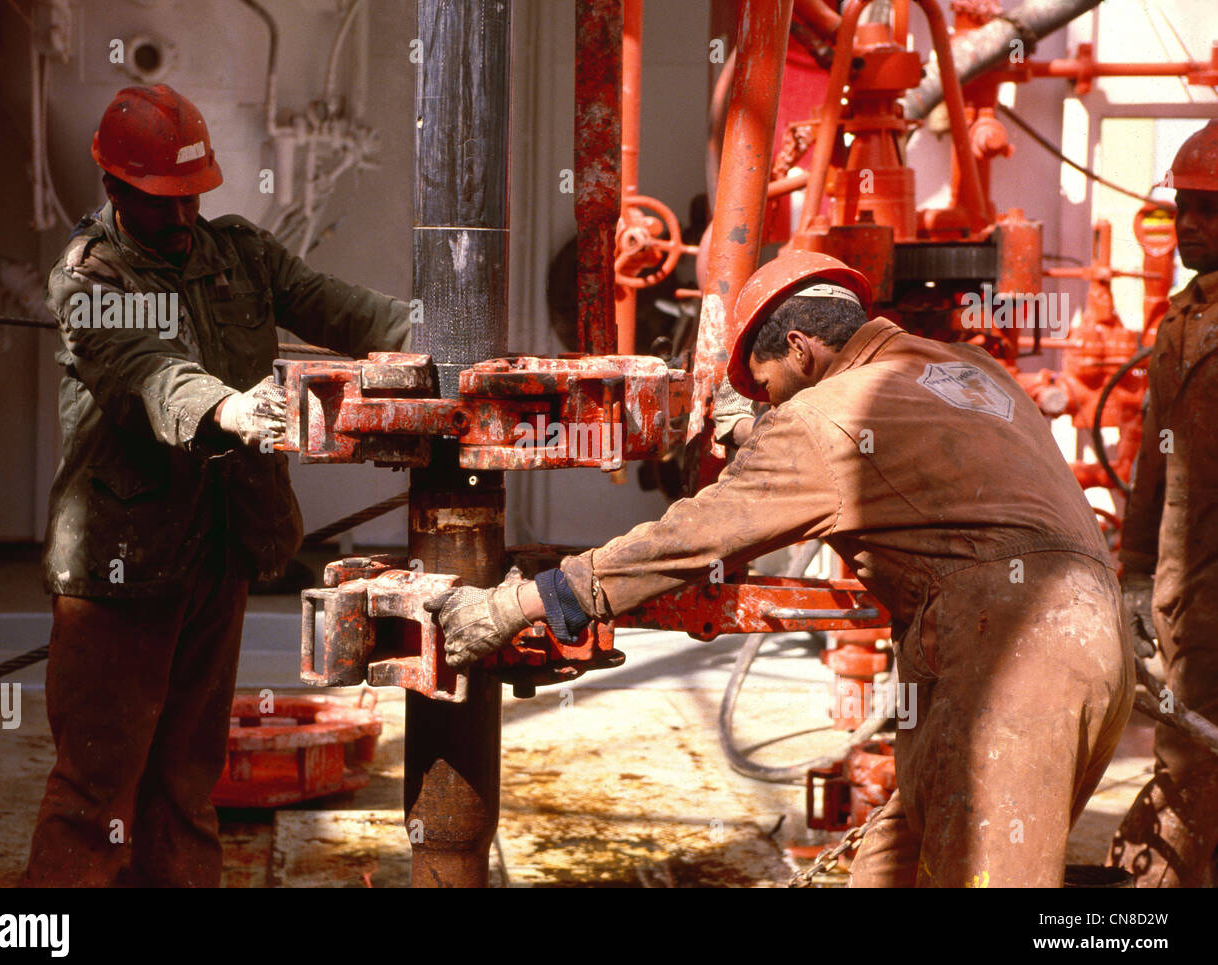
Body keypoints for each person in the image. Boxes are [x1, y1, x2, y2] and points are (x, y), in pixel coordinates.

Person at [427, 249, 1134, 887]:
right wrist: (760, 427)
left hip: (1010, 670)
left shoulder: (818, 421)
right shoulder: (971, 371)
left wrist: (529, 601)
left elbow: (694, 537)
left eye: (767, 387)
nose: (770, 405)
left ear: (799, 348)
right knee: (894, 863)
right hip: (1095, 647)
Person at [23, 84, 410, 887]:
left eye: (193, 195)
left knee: (186, 783)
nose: (184, 214)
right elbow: (145, 375)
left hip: (214, 552)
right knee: (97, 793)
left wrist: (434, 329)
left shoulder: (238, 251)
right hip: (120, 569)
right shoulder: (89, 277)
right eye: (165, 201)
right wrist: (228, 407)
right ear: (115, 188)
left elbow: (333, 307)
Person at [1109, 120, 1218, 887]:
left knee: (1190, 761)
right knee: (1187, 745)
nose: (1188, 223)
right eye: (1184, 204)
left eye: (1210, 208)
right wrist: (1137, 570)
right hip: (1190, 595)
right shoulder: (1183, 315)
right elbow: (1154, 457)